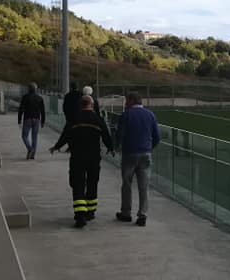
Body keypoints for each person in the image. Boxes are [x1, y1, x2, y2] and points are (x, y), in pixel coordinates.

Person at [50, 95, 113, 228]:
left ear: (80, 105)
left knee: (78, 184)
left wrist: (57, 146)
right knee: (92, 182)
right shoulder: (98, 119)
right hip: (94, 158)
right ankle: (90, 212)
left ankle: (80, 216)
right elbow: (106, 136)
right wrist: (111, 148)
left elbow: (65, 135)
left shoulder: (74, 119)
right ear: (92, 105)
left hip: (77, 157)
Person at [114, 91, 161, 226]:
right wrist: (149, 148)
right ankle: (142, 215)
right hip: (145, 153)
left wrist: (117, 147)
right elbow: (157, 137)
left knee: (127, 184)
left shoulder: (126, 115)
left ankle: (126, 212)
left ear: (132, 101)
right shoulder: (150, 115)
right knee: (143, 186)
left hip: (129, 153)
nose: (125, 103)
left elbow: (120, 134)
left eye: (126, 101)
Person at [18, 82, 46, 159]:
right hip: (37, 119)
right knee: (34, 137)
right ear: (36, 89)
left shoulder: (25, 97)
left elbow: (21, 109)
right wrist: (43, 121)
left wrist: (19, 120)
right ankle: (32, 155)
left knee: (24, 136)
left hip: (27, 119)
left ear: (28, 89)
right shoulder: (40, 98)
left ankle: (30, 149)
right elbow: (43, 111)